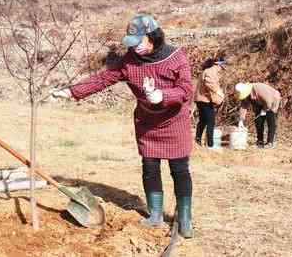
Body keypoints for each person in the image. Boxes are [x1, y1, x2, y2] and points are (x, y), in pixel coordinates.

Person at [52, 15, 194, 238]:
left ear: (152, 37)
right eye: (131, 43)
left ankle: (185, 217)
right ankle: (155, 214)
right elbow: (103, 78)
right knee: (150, 168)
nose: (135, 48)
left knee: (179, 170)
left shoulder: (176, 58)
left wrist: (162, 95)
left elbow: (186, 90)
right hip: (148, 124)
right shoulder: (130, 61)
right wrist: (72, 91)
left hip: (174, 122)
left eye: (138, 42)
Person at [235, 82, 282, 149]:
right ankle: (260, 142)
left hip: (272, 101)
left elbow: (268, 102)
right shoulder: (245, 94)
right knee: (258, 121)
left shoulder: (259, 89)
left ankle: (270, 142)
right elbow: (244, 106)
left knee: (270, 121)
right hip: (260, 103)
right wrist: (241, 120)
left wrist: (264, 110)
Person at [194, 57, 226, 150]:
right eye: (221, 67)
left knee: (203, 121)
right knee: (210, 122)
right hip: (205, 100)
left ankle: (198, 141)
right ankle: (210, 145)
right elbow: (210, 84)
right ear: (217, 65)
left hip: (201, 99)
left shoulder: (209, 71)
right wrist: (218, 92)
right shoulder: (210, 71)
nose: (221, 69)